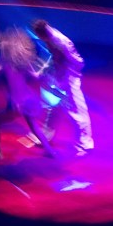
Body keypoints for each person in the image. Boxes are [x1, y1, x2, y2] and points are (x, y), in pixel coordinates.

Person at [0, 27, 56, 159]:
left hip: (16, 103)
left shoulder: (4, 64)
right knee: (33, 126)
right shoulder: (25, 63)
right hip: (29, 101)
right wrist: (44, 70)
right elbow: (36, 76)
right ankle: (50, 151)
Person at [31, 19, 94, 156]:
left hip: (69, 78)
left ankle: (85, 144)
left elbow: (77, 61)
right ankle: (46, 136)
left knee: (76, 111)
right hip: (60, 77)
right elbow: (54, 58)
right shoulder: (49, 38)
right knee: (56, 106)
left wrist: (68, 79)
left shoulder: (61, 42)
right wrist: (45, 73)